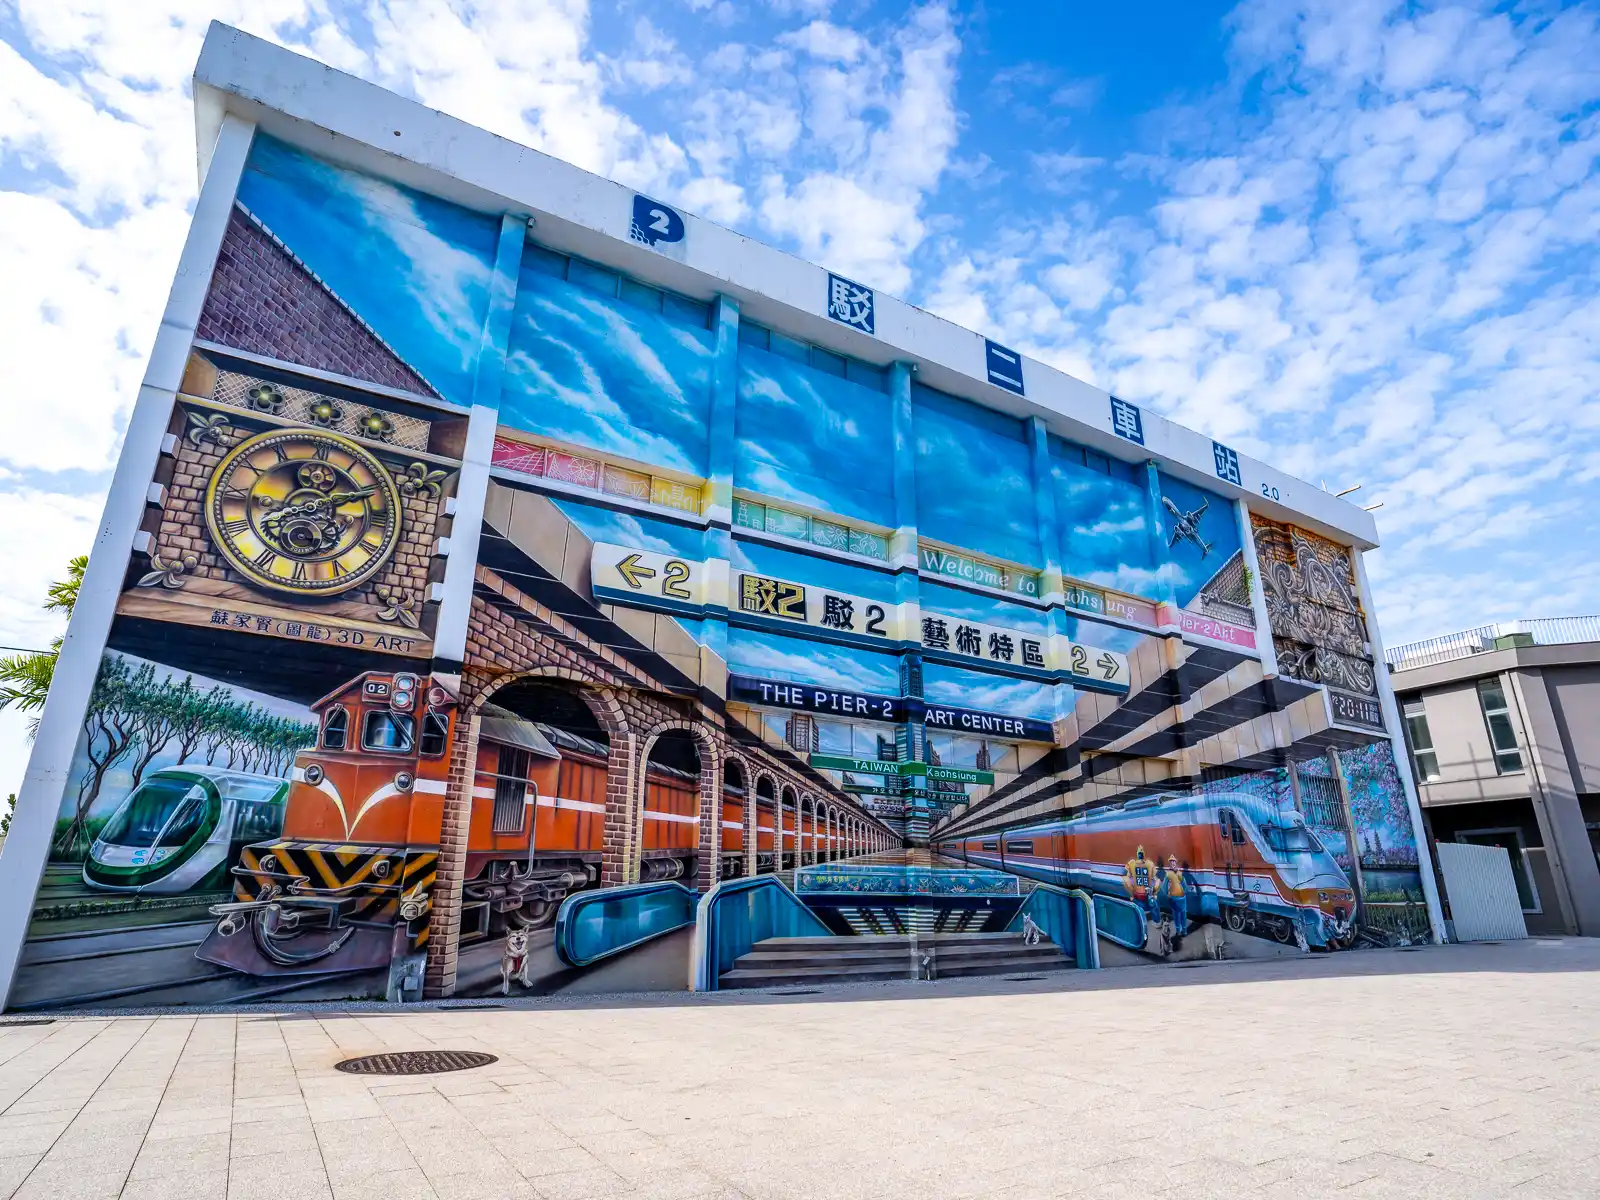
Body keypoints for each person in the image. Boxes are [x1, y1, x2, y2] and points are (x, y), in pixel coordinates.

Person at [1124, 844, 1159, 921]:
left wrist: (1131, 893)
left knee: (1141, 911)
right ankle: (1155, 921)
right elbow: (1156, 880)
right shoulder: (1149, 864)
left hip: (1142, 896)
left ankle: (1152, 921)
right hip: (1143, 896)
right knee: (1152, 907)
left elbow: (1127, 880)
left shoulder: (1133, 864)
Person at [1160, 854, 1188, 938]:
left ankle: (1184, 930)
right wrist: (1167, 894)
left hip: (1182, 898)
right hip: (1174, 898)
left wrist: (1185, 892)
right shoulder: (1168, 874)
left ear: (1175, 863)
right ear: (1170, 864)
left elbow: (1184, 884)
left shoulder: (1180, 873)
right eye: (1171, 862)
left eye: (1173, 862)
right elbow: (1163, 885)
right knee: (1176, 915)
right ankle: (1178, 931)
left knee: (1183, 915)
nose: (1172, 863)